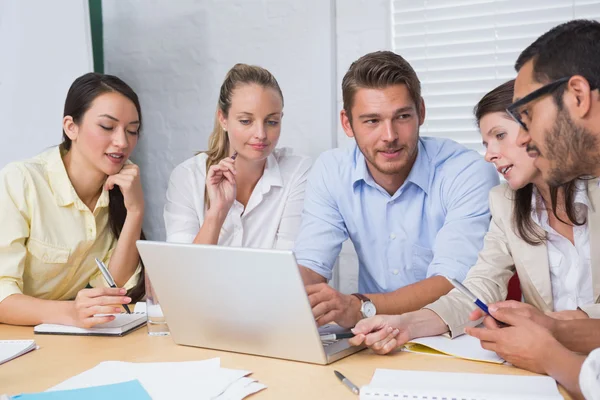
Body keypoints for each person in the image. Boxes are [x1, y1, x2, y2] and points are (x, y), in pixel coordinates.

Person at [349, 79, 599, 355]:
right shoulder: (505, 203)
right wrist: (405, 324)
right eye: (486, 143)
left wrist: (559, 323)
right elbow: (480, 287)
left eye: (500, 135)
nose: (489, 155)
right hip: (551, 362)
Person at [294, 50, 499, 329]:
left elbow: (452, 282)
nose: (389, 136)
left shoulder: (466, 171)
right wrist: (275, 293)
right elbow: (311, 267)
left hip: (447, 334)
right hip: (369, 336)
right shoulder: (332, 170)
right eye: (372, 121)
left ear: (421, 112)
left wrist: (360, 306)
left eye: (402, 116)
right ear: (347, 123)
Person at [468, 19, 600, 400]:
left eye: (526, 116)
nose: (524, 138)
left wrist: (548, 350)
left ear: (577, 95)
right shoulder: (507, 203)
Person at [0, 72, 145, 328]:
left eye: (132, 131)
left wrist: (135, 211)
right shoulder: (21, 181)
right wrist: (71, 313)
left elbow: (113, 287)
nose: (122, 142)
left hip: (56, 338)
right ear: (71, 127)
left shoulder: (122, 185)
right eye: (107, 127)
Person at [164, 63, 311, 249]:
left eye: (272, 122)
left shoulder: (296, 172)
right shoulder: (187, 177)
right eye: (246, 121)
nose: (261, 134)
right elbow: (181, 273)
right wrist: (217, 212)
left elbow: (292, 266)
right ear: (223, 119)